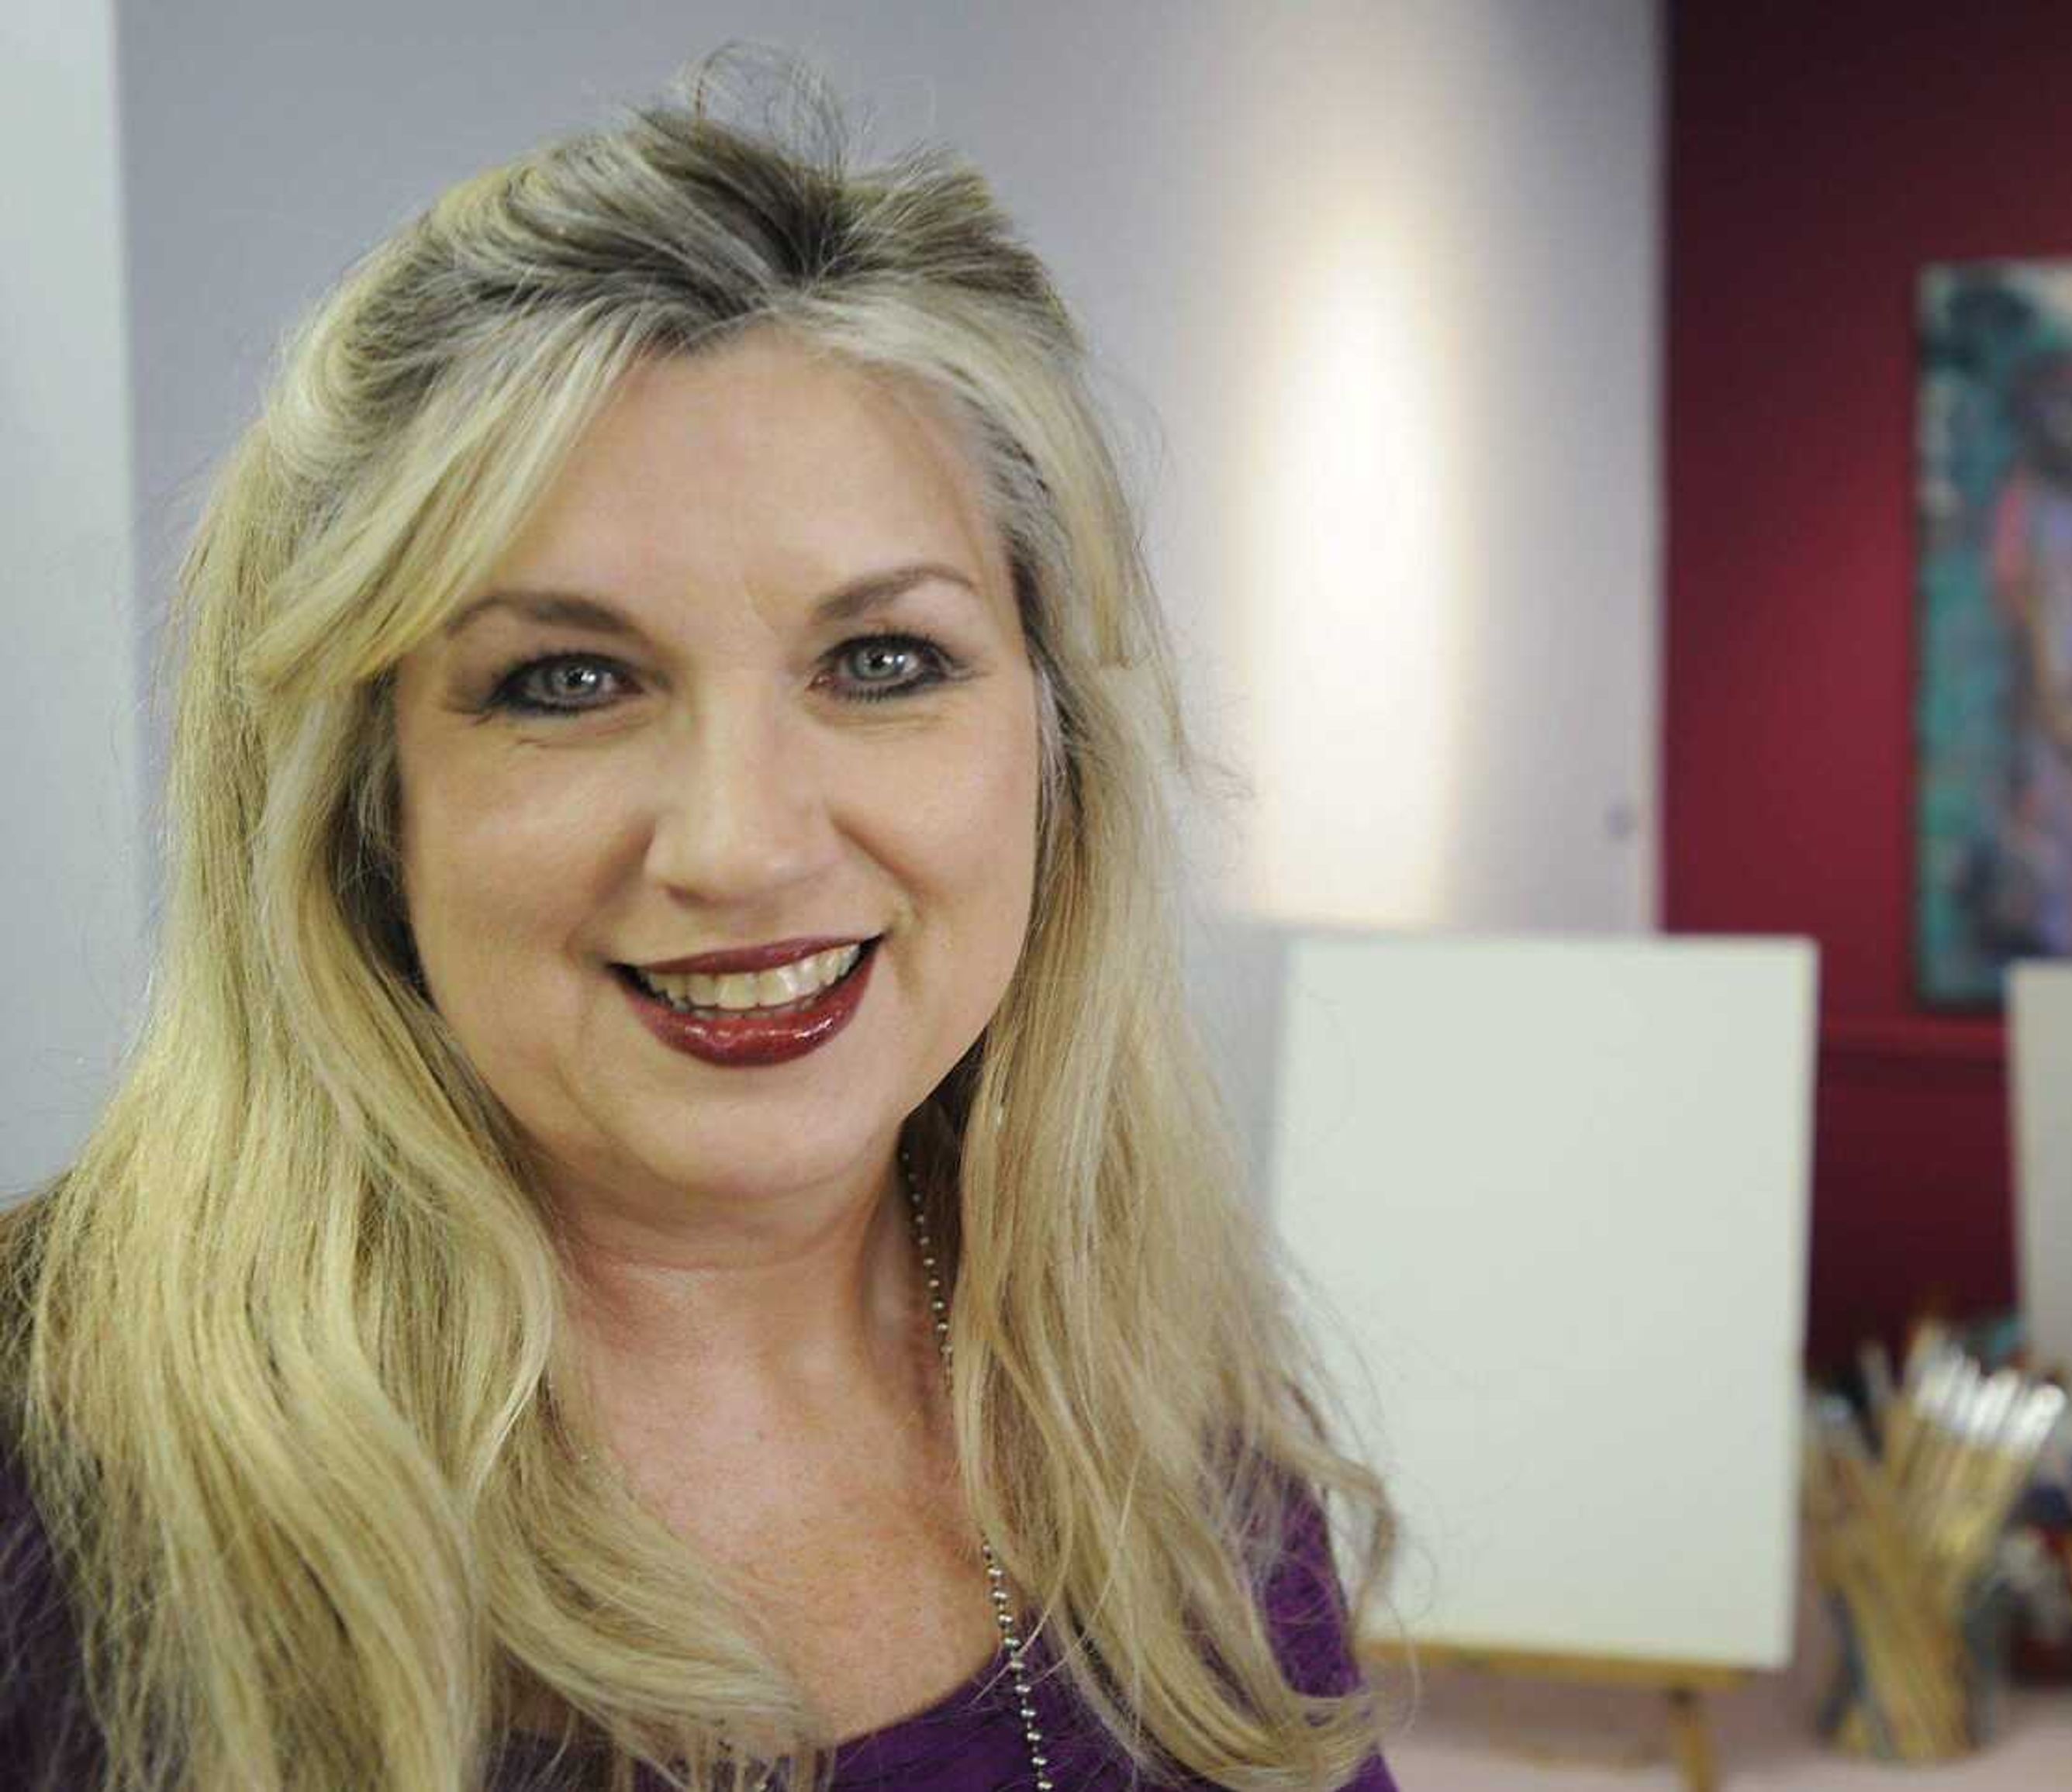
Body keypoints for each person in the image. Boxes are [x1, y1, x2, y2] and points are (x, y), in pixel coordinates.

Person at [0, 51, 1399, 1792]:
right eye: (568, 680)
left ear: (1052, 754)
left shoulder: (1160, 1404)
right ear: (368, 806)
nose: (741, 846)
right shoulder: (48, 1472)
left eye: (883, 661)